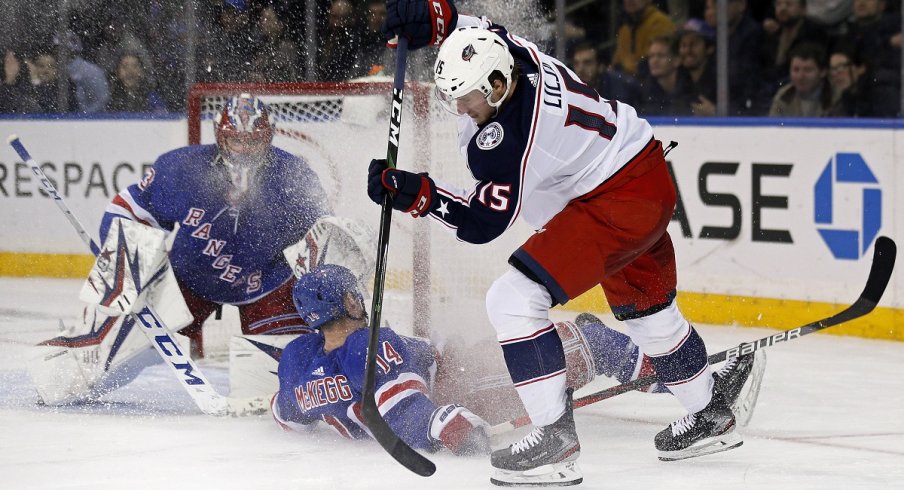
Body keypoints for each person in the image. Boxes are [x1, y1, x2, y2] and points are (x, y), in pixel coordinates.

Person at [371, 1, 750, 485]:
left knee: (512, 299)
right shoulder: (508, 53)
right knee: (647, 311)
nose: (460, 109)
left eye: (467, 99)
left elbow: (481, 223)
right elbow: (472, 26)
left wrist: (414, 194)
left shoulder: (510, 137)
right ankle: (710, 415)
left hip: (614, 202)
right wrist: (433, 16)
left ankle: (553, 440)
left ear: (496, 87)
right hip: (643, 175)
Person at [27, 94, 330, 406]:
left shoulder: (294, 177)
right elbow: (130, 209)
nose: (244, 149)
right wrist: (123, 254)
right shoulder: (183, 168)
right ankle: (64, 375)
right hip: (189, 279)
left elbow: (324, 238)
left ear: (270, 135)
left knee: (286, 381)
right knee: (119, 347)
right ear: (219, 136)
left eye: (253, 140)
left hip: (266, 285)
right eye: (235, 140)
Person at [273, 265, 764, 457]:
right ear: (350, 303)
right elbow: (403, 406)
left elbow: (286, 411)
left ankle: (675, 379)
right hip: (458, 382)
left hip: (455, 366)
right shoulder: (368, 342)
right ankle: (699, 388)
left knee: (577, 341)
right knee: (577, 343)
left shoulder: (298, 360)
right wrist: (450, 425)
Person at [768, 43, 843, 117]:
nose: (800, 76)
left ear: (823, 72)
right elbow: (775, 125)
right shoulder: (783, 97)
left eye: (807, 70)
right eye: (796, 70)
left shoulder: (837, 98)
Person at [611, 0, 676, 77]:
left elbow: (650, 64)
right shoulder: (624, 29)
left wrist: (627, 68)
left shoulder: (660, 22)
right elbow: (616, 62)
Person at [570, 42, 642, 108]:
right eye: (576, 63)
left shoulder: (620, 88)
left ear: (600, 66)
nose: (580, 69)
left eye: (587, 63)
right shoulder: (570, 88)